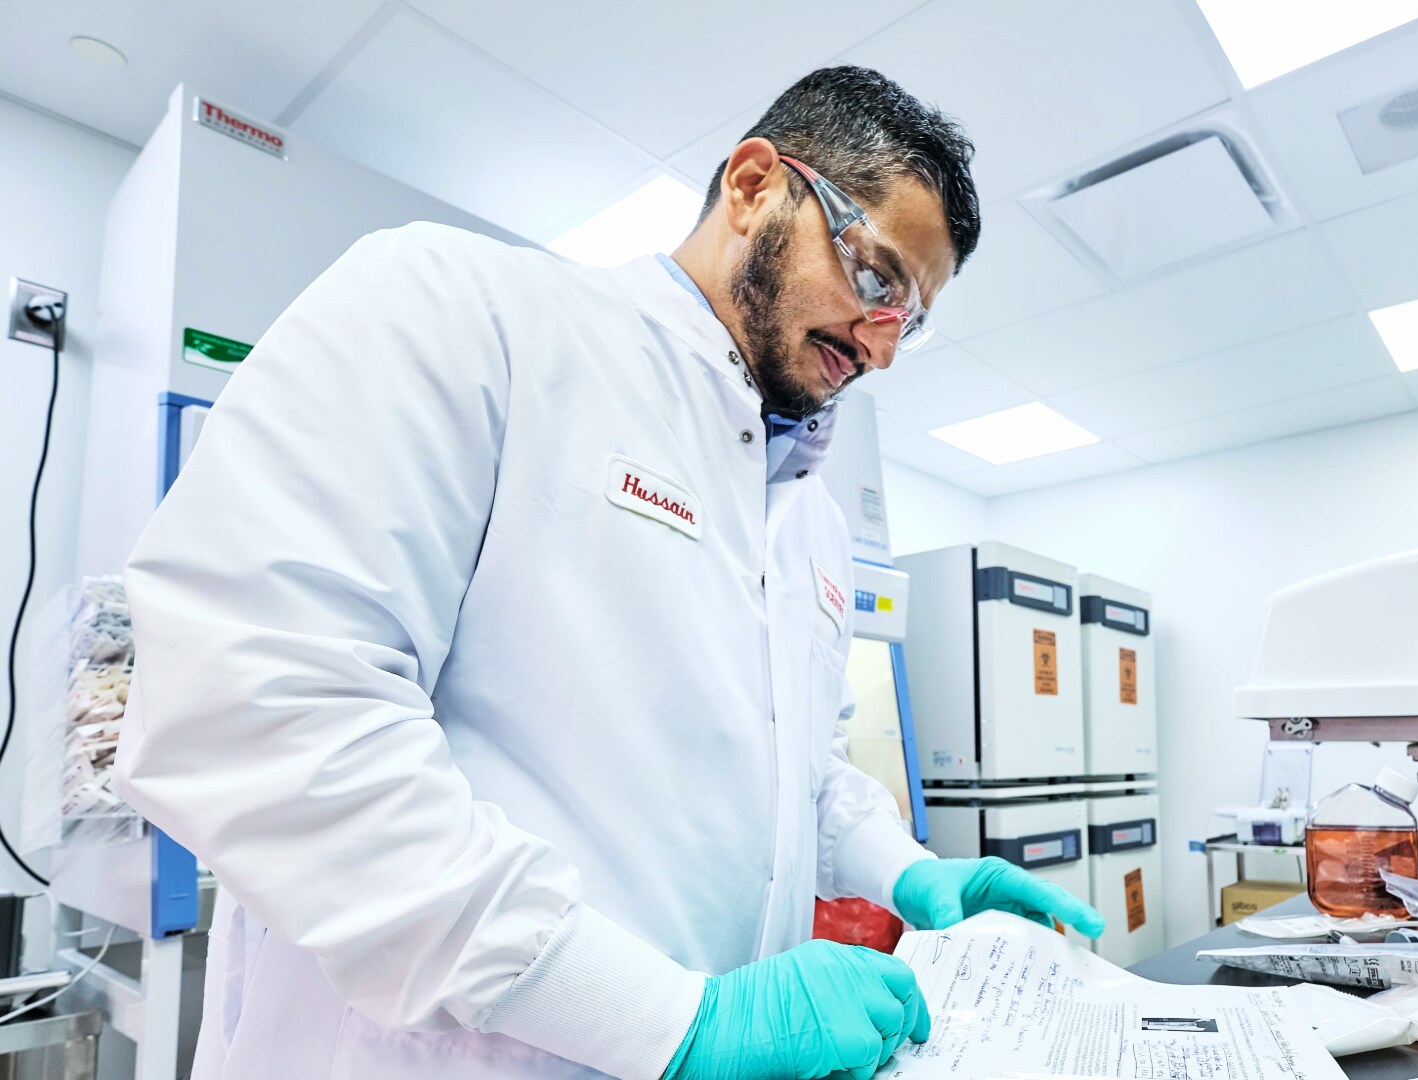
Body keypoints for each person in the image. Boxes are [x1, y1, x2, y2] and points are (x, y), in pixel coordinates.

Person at [115, 66, 1103, 1080]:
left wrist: (913, 876)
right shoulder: (468, 312)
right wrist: (673, 1023)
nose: (884, 348)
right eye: (879, 280)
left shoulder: (804, 517)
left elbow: (797, 776)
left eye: (913, 318)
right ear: (756, 185)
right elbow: (256, 703)